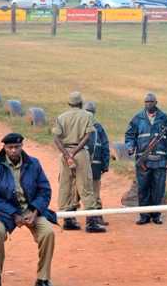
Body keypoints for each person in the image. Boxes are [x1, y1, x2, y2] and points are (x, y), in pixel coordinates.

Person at [0, 133, 57, 286]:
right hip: (5, 213)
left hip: (31, 210)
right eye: (10, 147)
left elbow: (45, 190)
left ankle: (43, 278)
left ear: (22, 146)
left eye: (17, 147)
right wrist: (13, 213)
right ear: (4, 148)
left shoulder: (34, 163)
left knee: (48, 232)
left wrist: (35, 211)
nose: (13, 151)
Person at [52, 91, 105, 233]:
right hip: (80, 153)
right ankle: (91, 222)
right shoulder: (87, 116)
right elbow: (88, 137)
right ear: (81, 103)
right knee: (85, 185)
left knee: (66, 185)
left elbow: (56, 138)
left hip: (64, 154)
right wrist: (74, 153)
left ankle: (68, 219)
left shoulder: (61, 117)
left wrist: (66, 154)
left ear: (69, 104)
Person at [125, 92, 167, 225]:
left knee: (158, 189)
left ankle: (156, 215)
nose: (148, 104)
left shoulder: (165, 118)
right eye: (146, 102)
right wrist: (130, 147)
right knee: (143, 188)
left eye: (151, 102)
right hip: (143, 161)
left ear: (156, 103)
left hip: (160, 160)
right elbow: (130, 135)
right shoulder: (137, 119)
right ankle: (144, 215)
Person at [83, 101, 111, 226]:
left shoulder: (80, 125)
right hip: (95, 165)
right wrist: (105, 165)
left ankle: (71, 217)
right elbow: (105, 146)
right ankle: (96, 217)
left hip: (83, 166)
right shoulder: (98, 127)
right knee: (95, 192)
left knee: (80, 191)